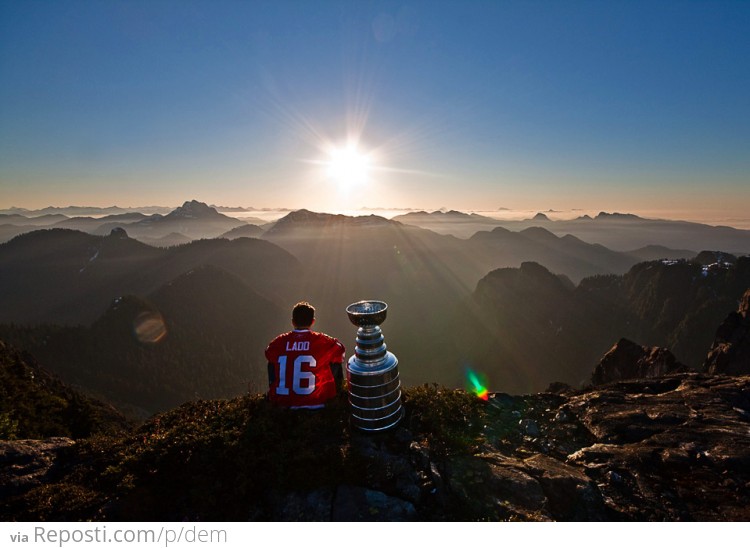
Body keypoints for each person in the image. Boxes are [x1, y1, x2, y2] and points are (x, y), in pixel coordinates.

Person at [265, 301, 346, 408]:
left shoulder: (278, 342)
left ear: (293, 322)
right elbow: (340, 351)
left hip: (283, 404)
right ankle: (336, 396)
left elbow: (268, 353)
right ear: (312, 322)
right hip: (318, 403)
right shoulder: (322, 341)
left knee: (272, 363)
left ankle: (275, 393)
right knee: (334, 361)